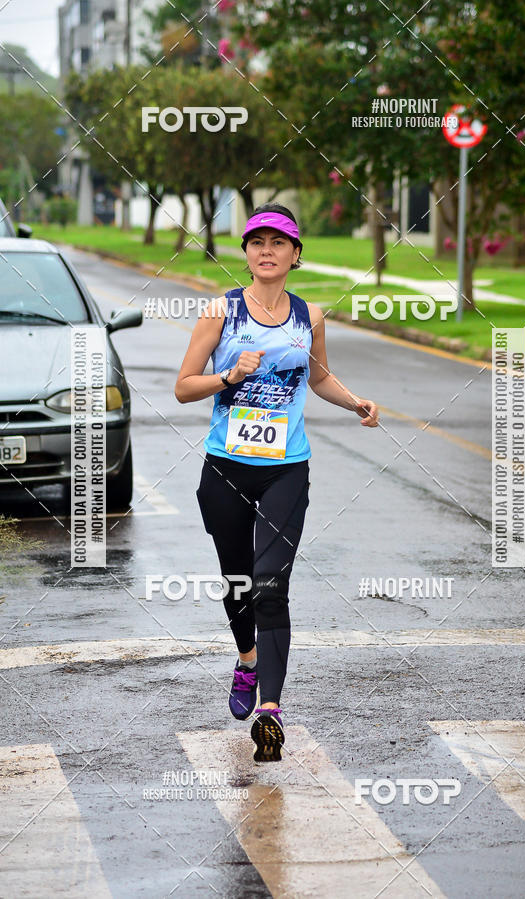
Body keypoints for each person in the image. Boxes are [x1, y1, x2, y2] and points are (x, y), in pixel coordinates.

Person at [175, 203, 379, 762]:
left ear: (295, 253)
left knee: (270, 580)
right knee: (238, 577)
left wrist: (353, 401)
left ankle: (270, 706)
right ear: (245, 253)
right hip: (225, 468)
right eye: (256, 242)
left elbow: (318, 377)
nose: (266, 251)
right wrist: (229, 375)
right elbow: (184, 387)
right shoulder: (221, 311)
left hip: (287, 467)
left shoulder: (309, 314)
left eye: (278, 242)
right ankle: (247, 660)